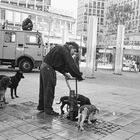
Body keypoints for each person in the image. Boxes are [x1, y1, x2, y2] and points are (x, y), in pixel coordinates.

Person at [37, 42, 84, 116]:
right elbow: (70, 63)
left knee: (44, 88)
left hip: (44, 67)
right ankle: (48, 110)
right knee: (49, 89)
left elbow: (57, 64)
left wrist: (64, 73)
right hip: (48, 69)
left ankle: (42, 106)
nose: (73, 54)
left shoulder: (60, 48)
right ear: (71, 47)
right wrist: (78, 75)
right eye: (74, 51)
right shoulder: (64, 50)